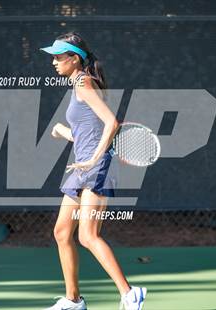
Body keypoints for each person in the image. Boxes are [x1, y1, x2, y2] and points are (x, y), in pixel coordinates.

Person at [40, 32, 147, 310]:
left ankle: (130, 293)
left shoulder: (84, 83)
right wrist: (66, 132)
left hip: (96, 167)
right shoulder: (79, 84)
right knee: (62, 232)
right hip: (83, 167)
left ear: (74, 59)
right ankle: (74, 300)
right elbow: (91, 131)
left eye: (59, 57)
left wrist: (93, 160)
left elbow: (112, 124)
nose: (53, 62)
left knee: (87, 235)